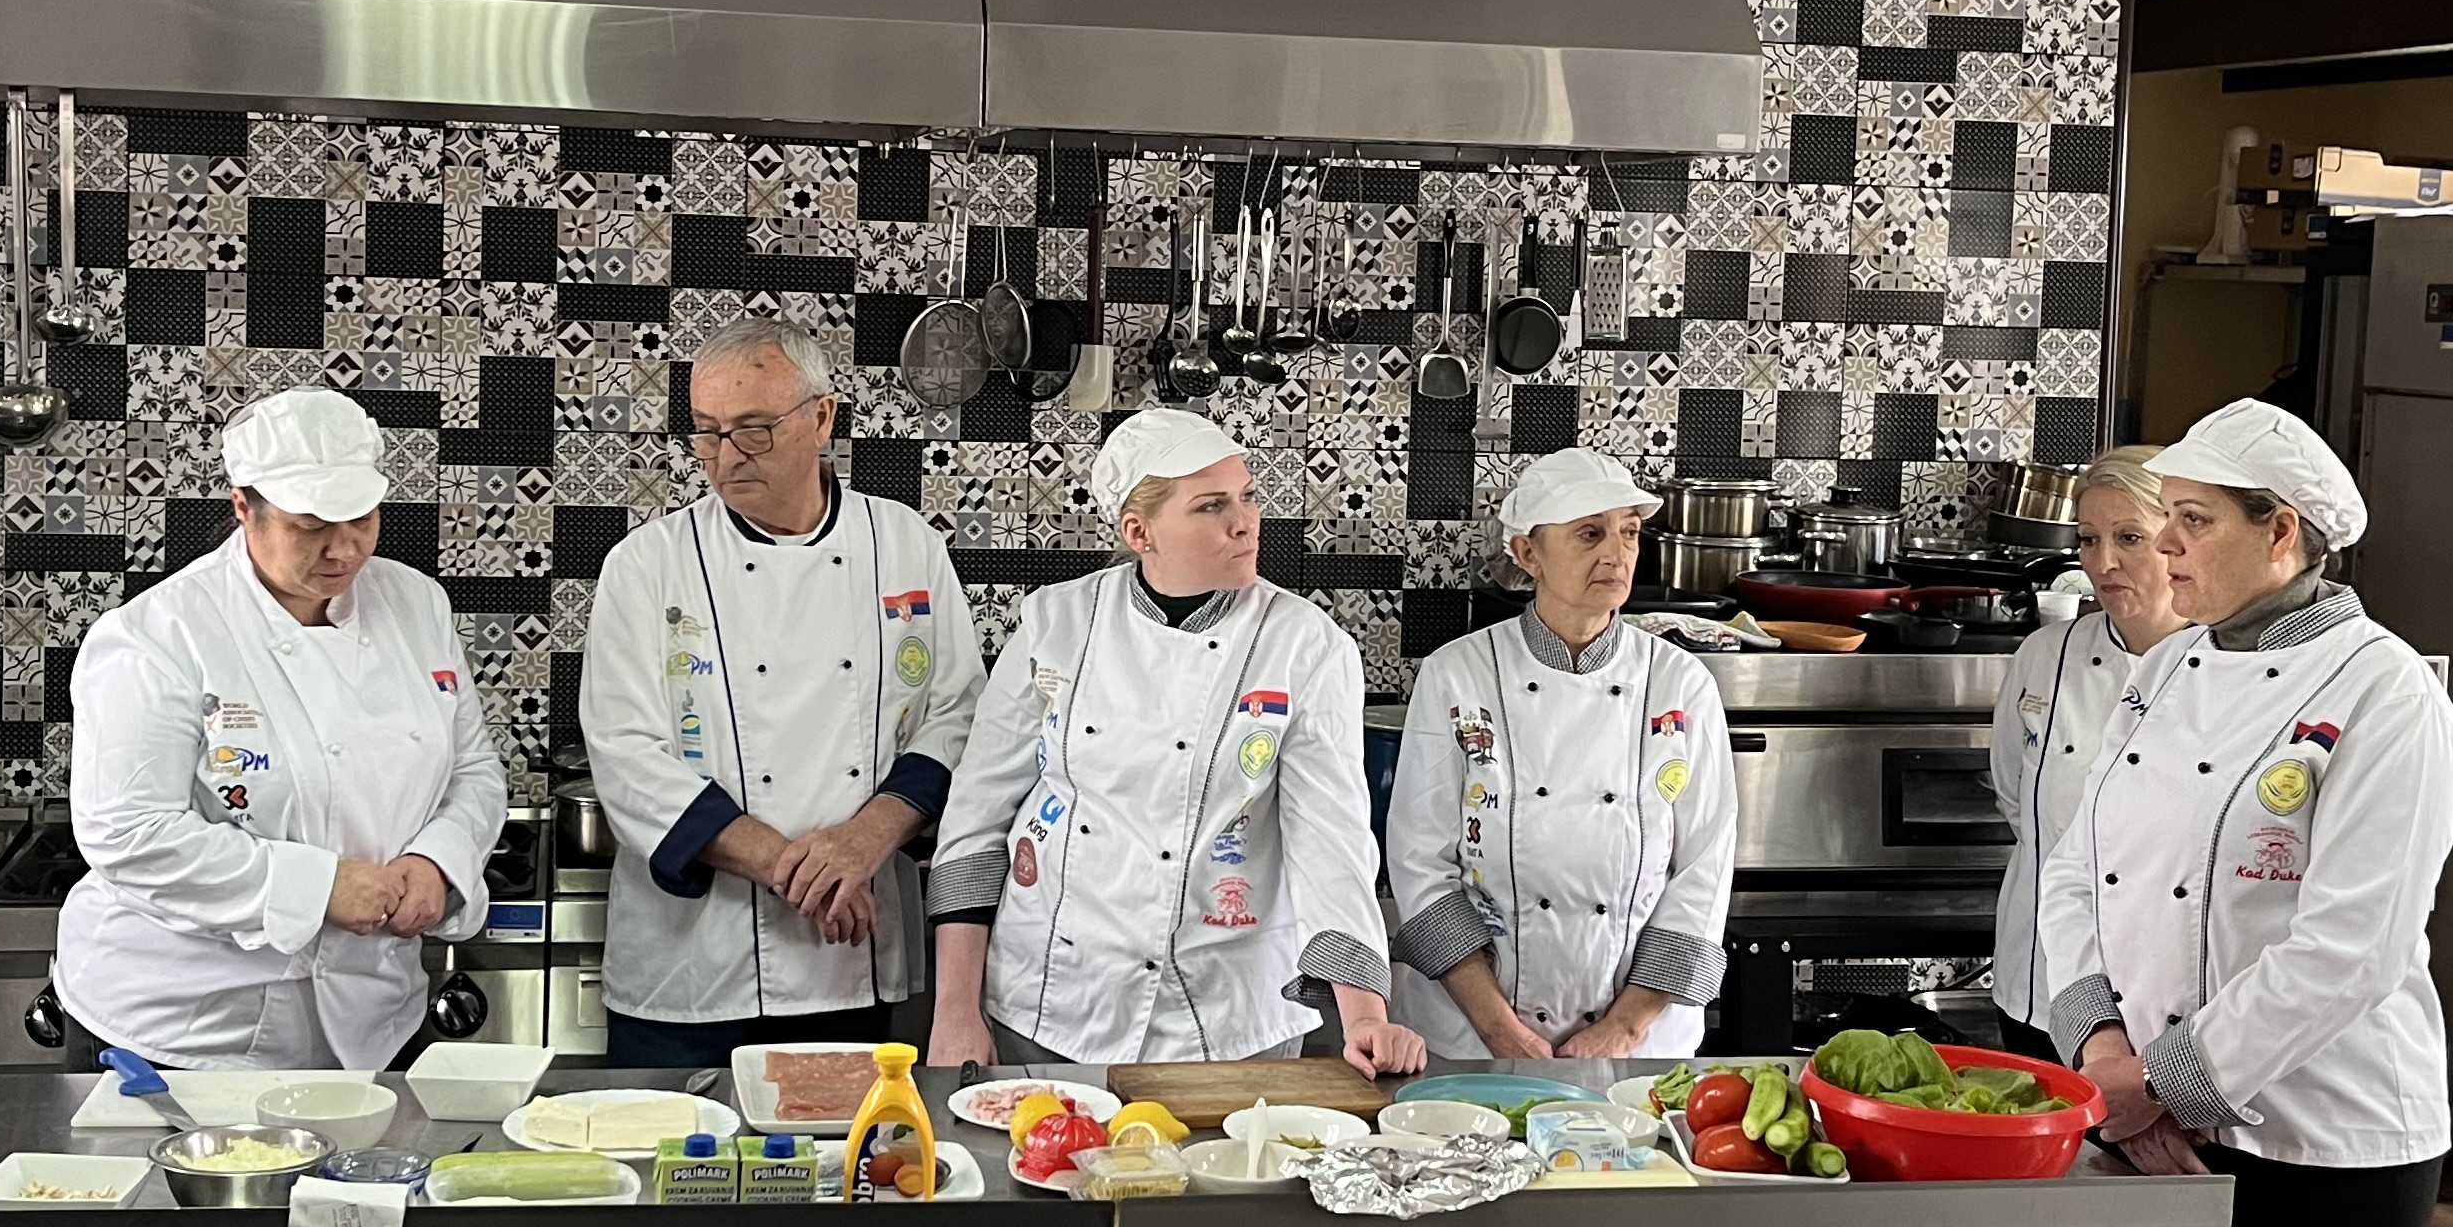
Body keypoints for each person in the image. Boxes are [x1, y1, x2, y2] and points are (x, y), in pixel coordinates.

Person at [2036, 398, 2453, 1227]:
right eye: (2166, 517)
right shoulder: (2167, 669)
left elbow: (2349, 950)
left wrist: (2157, 1086)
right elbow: (2077, 873)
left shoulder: (2387, 693)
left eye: (2194, 521)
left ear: (2282, 533)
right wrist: (2101, 1053)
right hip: (2150, 1117)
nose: (2166, 544)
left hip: (2321, 1144)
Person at [927, 408, 1417, 1075]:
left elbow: (1330, 838)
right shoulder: (1057, 622)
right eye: (1211, 506)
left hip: (1230, 1013)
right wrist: (955, 1012)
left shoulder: (1305, 644)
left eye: (1247, 496)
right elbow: (977, 819)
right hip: (1056, 996)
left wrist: (1364, 1015)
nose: (1245, 522)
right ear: (1140, 532)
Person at [54, 389, 509, 1072]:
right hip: (187, 1027)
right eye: (310, 525)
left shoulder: (416, 603)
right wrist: (315, 888)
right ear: (244, 507)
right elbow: (128, 832)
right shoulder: (158, 634)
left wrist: (438, 861)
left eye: (362, 519)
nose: (344, 548)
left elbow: (472, 770)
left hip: (377, 1014)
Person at [579, 324, 983, 1069]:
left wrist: (861, 844)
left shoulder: (904, 544)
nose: (727, 456)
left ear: (822, 418)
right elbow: (626, 757)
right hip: (694, 966)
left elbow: (956, 715)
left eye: (754, 430)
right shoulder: (648, 564)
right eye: (707, 432)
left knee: (845, 1146)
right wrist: (803, 872)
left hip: (847, 955)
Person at [1385, 449, 1734, 1064]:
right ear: (1529, 554)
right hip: (1471, 1032)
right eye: (1589, 534)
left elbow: (1704, 868)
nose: (1617, 554)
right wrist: (1499, 1029)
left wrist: (1624, 1029)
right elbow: (1420, 860)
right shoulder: (1459, 673)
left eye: (1629, 532)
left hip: (1639, 1042)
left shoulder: (1681, 683)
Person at [1989, 449, 2181, 1057]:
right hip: (2037, 978)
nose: (2103, 563)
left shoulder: (2226, 672)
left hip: (2163, 1002)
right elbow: (2016, 798)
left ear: (2181, 541)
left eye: (2129, 538)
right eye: (2089, 539)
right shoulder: (2045, 655)